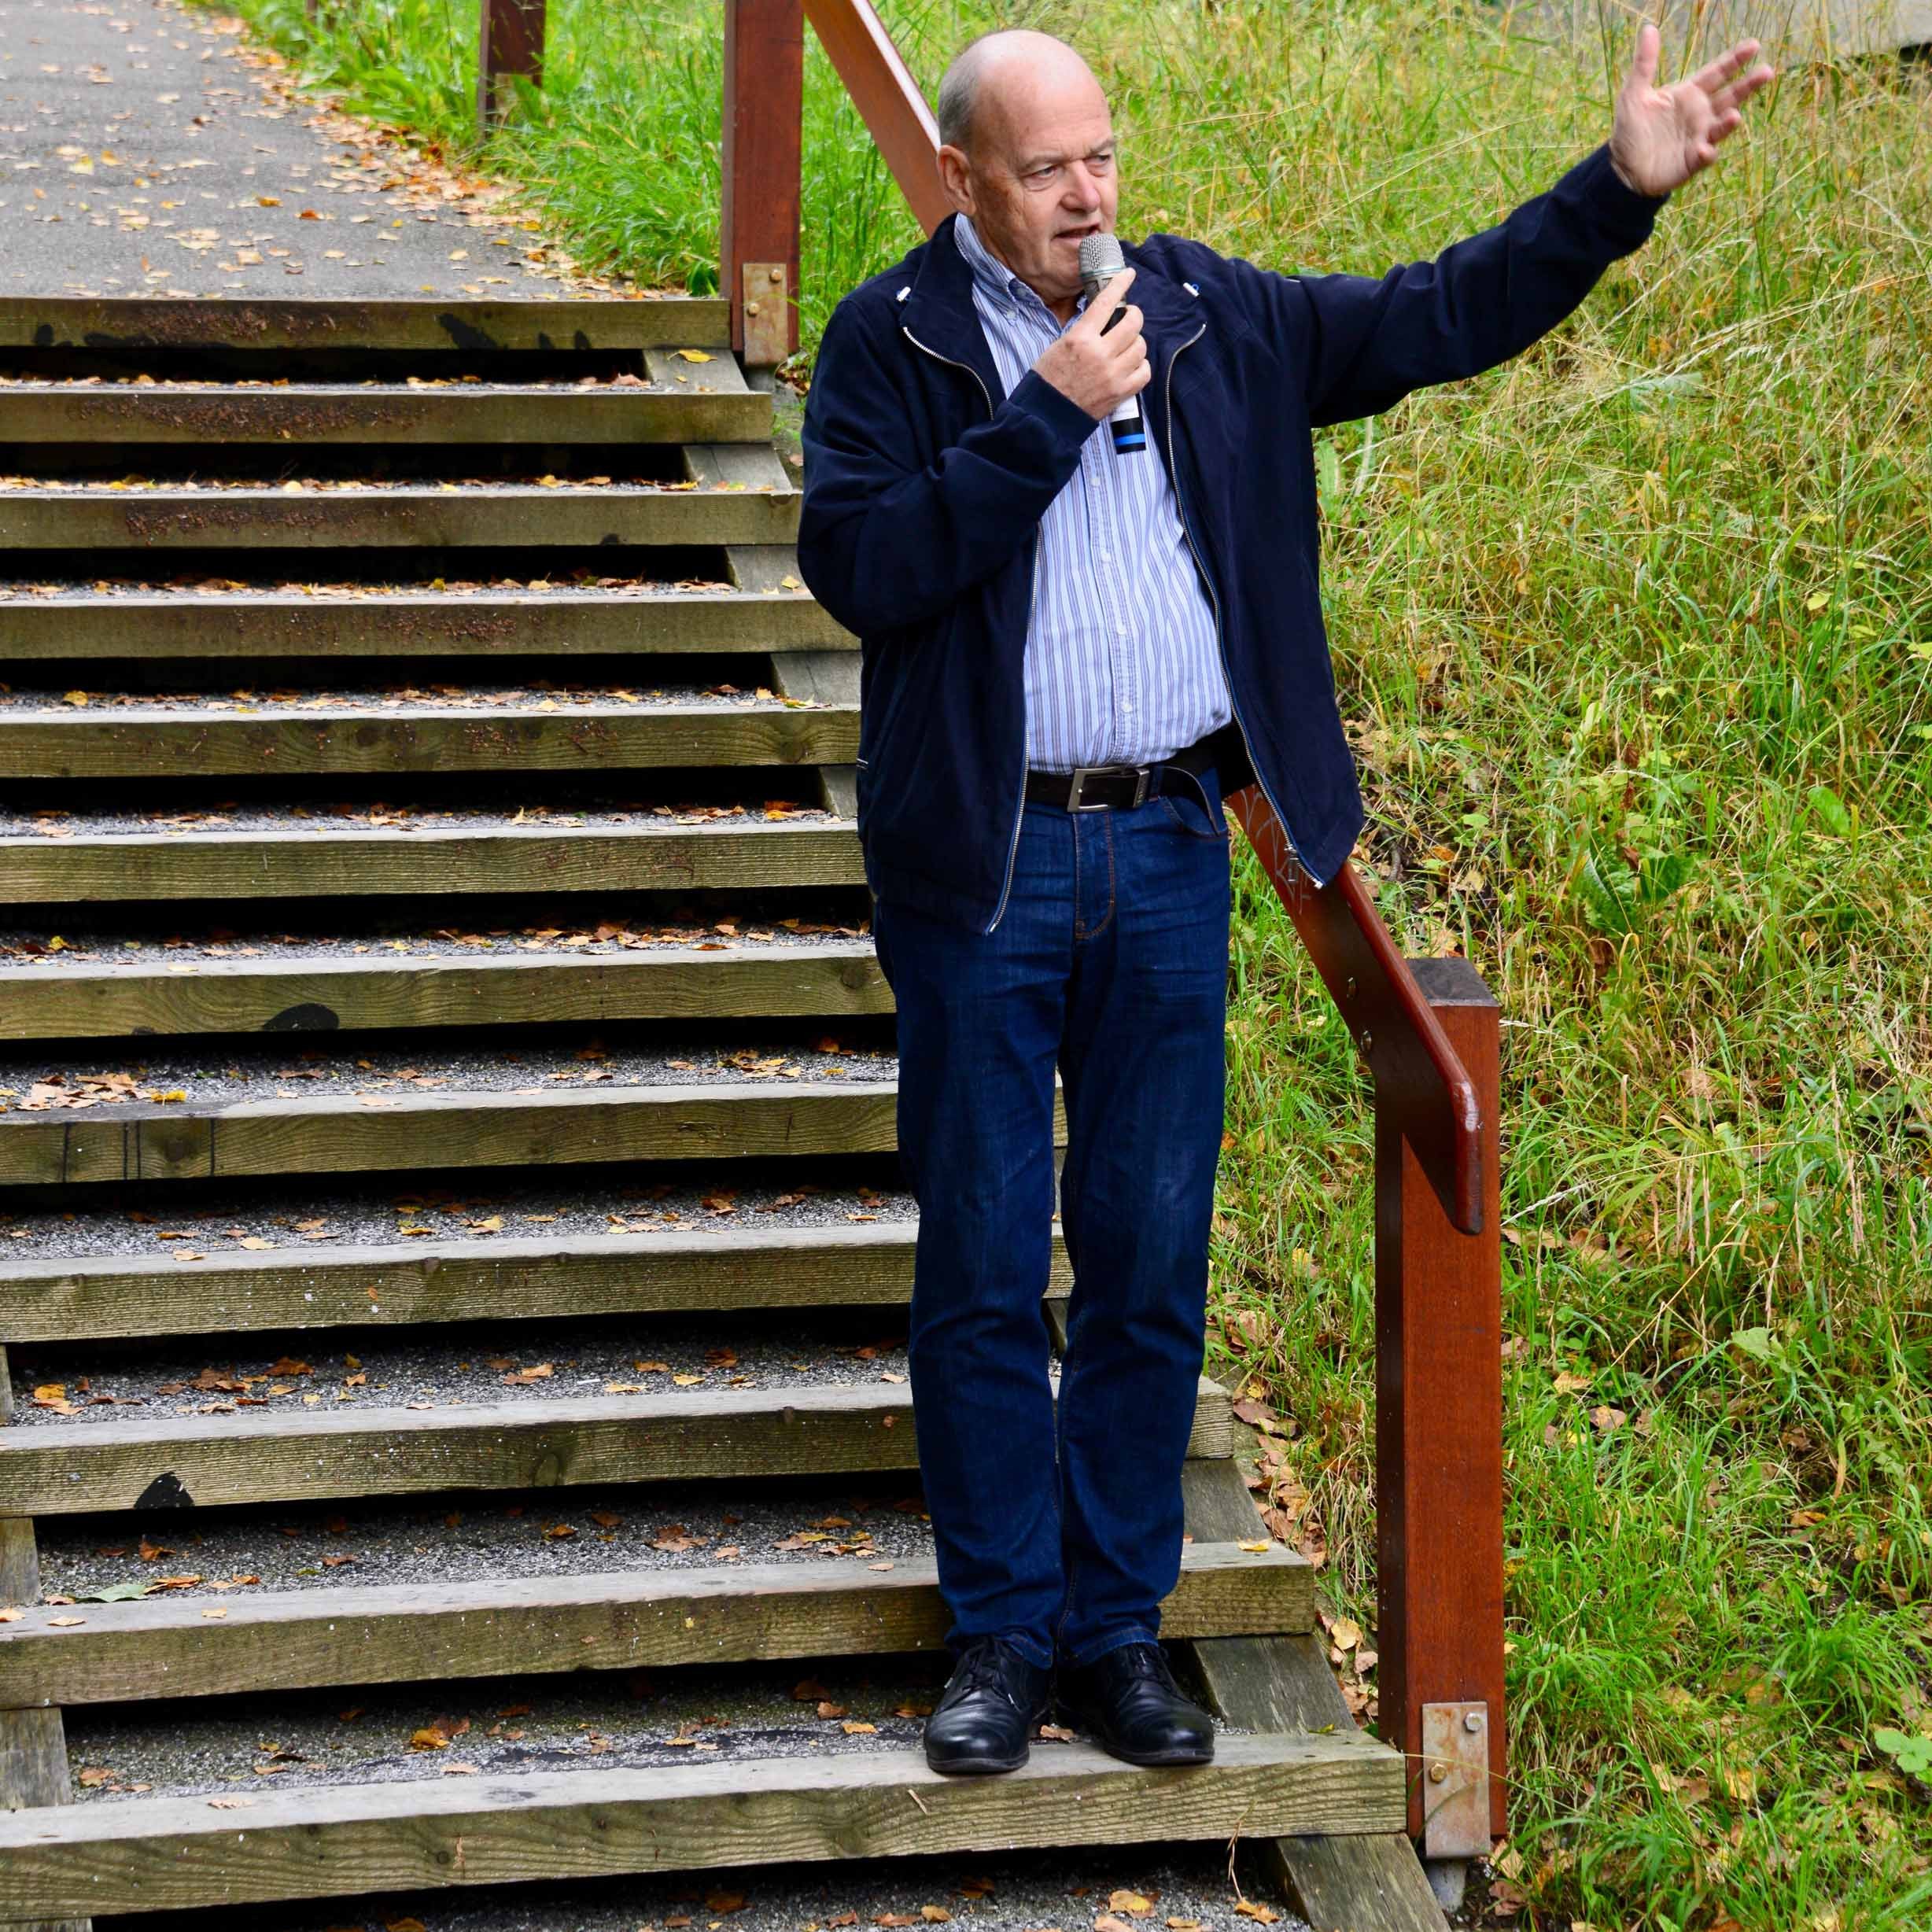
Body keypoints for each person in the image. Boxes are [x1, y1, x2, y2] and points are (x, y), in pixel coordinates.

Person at [796, 23, 1772, 1778]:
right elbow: (867, 569)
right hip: (985, 864)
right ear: (964, 179)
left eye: (1101, 156)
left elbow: (1431, 315)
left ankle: (1116, 1632)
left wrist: (1616, 191)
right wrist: (1043, 421)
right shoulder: (895, 339)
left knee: (1153, 1253)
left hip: (1171, 846)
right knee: (982, 1260)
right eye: (1045, 169)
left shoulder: (1205, 313)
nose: (1088, 196)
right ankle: (1002, 1637)